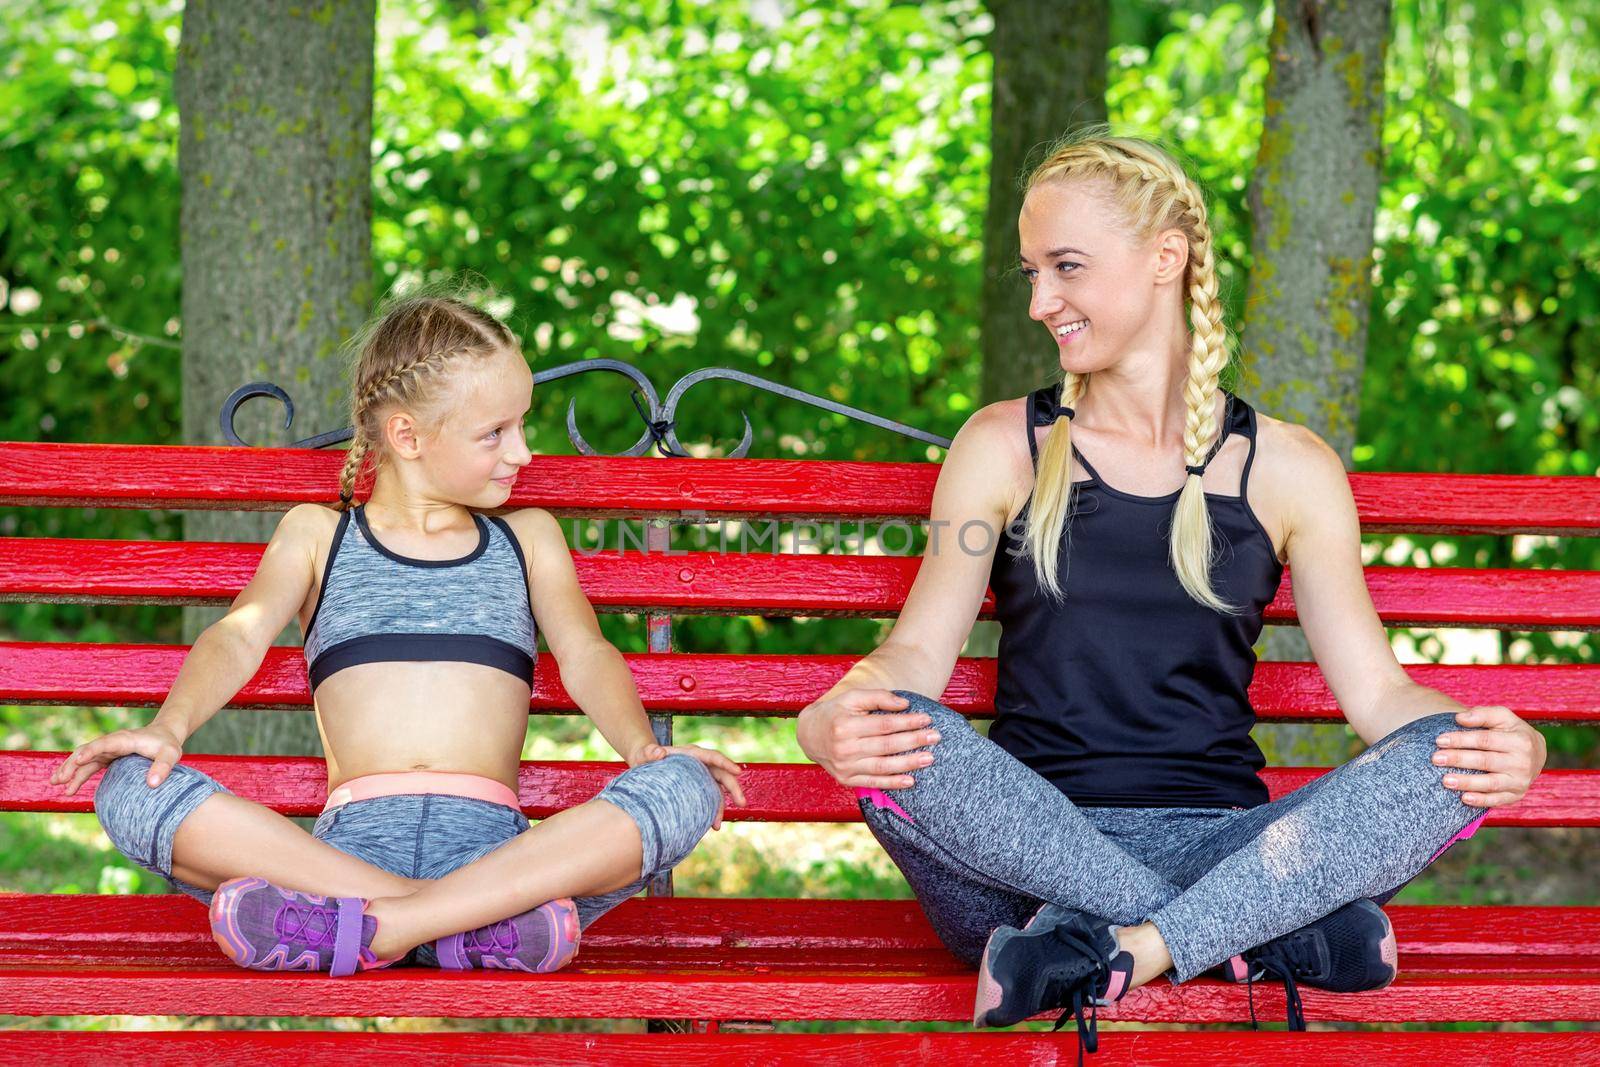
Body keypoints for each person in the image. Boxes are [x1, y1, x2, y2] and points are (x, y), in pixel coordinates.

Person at [795, 133, 1546, 1050]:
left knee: (1438, 757)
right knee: (903, 737)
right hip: (1024, 857)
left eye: (1066, 267)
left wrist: (1488, 745)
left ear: (1166, 257)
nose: (1041, 303)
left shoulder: (1289, 467)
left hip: (1231, 843)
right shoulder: (1001, 446)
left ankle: (1109, 948)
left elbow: (1383, 696)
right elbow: (915, 654)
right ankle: (1248, 940)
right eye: (1031, 273)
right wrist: (830, 714)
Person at [55, 293, 745, 977]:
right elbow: (239, 635)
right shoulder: (318, 535)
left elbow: (587, 652)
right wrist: (170, 726)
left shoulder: (527, 539)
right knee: (128, 787)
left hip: (497, 855)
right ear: (409, 437)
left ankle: (373, 928)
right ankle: (466, 928)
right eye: (495, 433)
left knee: (686, 783)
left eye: (523, 425)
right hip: (345, 854)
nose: (524, 452)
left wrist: (641, 746)